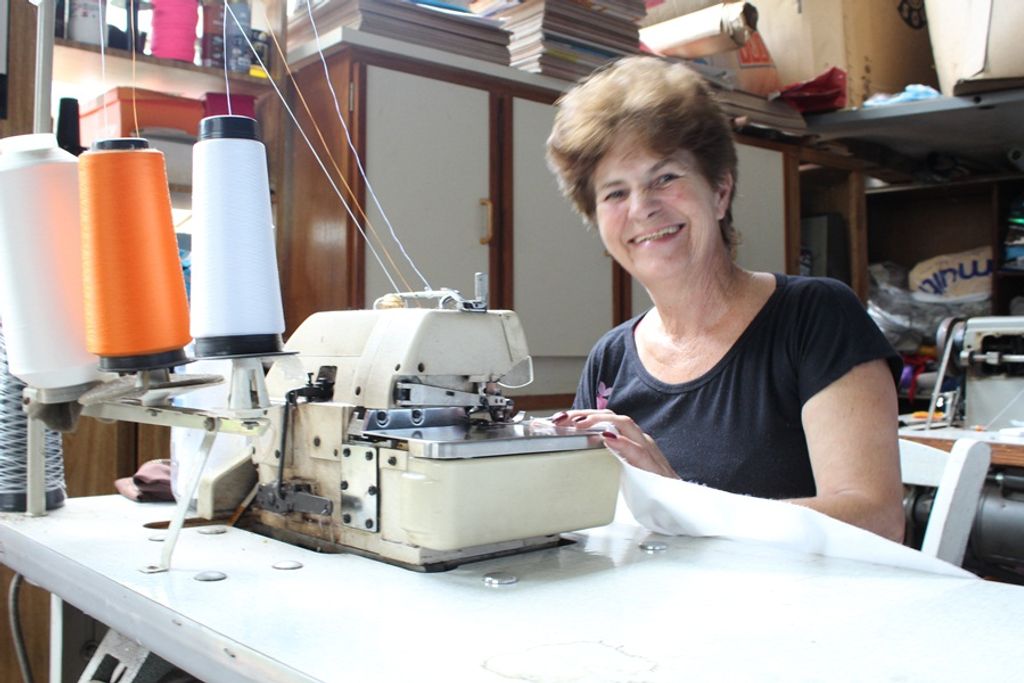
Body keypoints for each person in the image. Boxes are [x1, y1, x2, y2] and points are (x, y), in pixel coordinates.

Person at [544, 56, 905, 542]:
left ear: (719, 191)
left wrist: (680, 502)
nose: (642, 208)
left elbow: (876, 520)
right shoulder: (610, 358)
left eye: (665, 178)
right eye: (613, 193)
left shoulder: (814, 316)